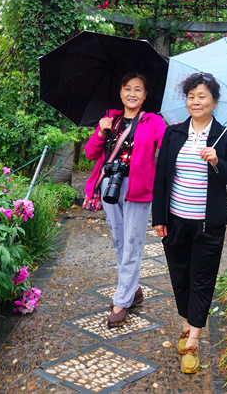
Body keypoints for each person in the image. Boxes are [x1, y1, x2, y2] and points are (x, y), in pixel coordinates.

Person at [152, 72, 227, 374]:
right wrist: (158, 218)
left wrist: (217, 161)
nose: (195, 101)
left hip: (208, 225)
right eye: (191, 96)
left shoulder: (226, 136)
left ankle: (193, 340)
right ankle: (186, 324)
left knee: (202, 280)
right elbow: (161, 177)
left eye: (202, 96)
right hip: (175, 220)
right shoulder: (174, 133)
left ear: (214, 102)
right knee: (179, 276)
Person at [84, 73, 167, 328]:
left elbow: (166, 145)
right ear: (120, 93)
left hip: (138, 188)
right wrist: (101, 131)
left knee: (132, 241)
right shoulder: (111, 119)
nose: (132, 93)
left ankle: (121, 300)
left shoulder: (153, 121)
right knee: (119, 240)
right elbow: (90, 153)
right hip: (109, 185)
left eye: (138, 89)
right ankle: (133, 289)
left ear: (145, 95)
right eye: (127, 88)